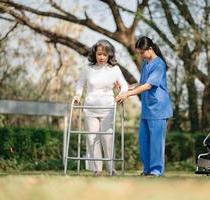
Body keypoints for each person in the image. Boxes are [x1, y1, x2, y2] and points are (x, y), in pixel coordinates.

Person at [116, 36, 173, 176]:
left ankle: (156, 171)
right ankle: (147, 169)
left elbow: (148, 86)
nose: (140, 55)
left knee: (156, 143)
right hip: (147, 110)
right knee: (144, 141)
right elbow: (141, 83)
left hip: (159, 109)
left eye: (142, 52)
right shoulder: (145, 64)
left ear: (150, 49)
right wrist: (126, 88)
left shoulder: (159, 64)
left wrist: (127, 95)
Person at [74, 39, 128, 176]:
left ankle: (111, 168)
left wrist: (122, 94)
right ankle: (97, 169)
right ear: (95, 54)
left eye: (105, 54)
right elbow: (80, 84)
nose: (102, 57)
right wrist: (78, 95)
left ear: (110, 55)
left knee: (107, 138)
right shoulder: (88, 69)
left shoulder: (115, 69)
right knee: (92, 138)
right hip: (90, 108)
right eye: (99, 54)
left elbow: (125, 85)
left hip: (108, 109)